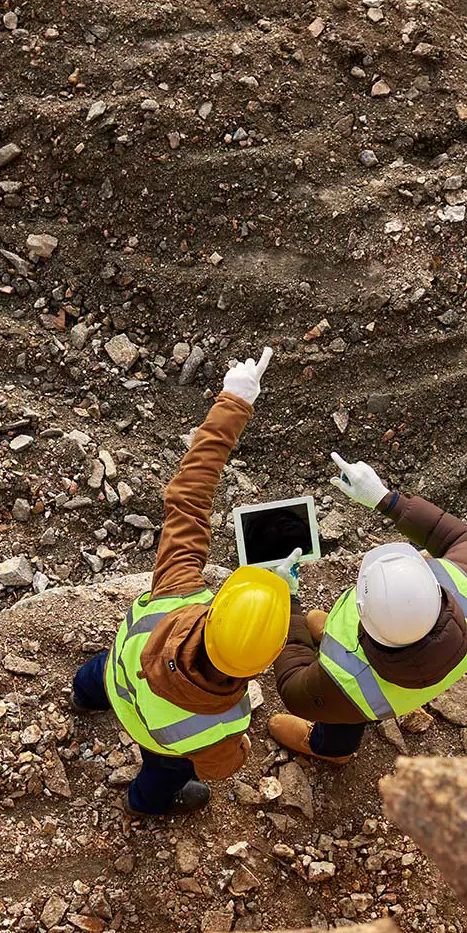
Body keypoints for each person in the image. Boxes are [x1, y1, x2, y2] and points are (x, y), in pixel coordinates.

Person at [72, 346, 291, 815]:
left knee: (95, 676)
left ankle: (84, 697)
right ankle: (144, 804)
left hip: (118, 676)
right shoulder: (229, 720)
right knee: (164, 776)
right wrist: (241, 754)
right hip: (157, 740)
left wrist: (234, 401)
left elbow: (189, 493)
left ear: (217, 608)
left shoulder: (178, 589)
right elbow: (217, 766)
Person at [271, 453, 467, 764]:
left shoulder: (347, 681)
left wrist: (289, 602)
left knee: (343, 717)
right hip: (430, 665)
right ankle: (329, 640)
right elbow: (461, 536)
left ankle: (332, 750)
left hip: (356, 695)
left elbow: (292, 685)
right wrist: (386, 499)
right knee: (347, 698)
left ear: (362, 618)